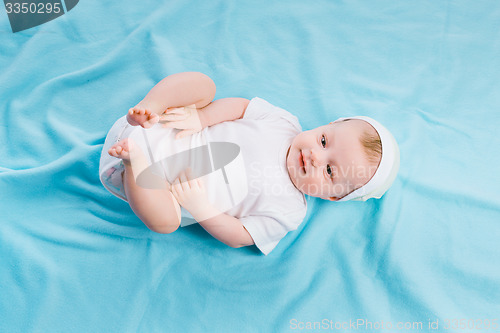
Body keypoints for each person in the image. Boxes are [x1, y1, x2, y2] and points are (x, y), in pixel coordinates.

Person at [99, 72, 400, 255]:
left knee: (166, 222)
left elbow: (241, 236)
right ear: (327, 124)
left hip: (158, 185)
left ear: (333, 196)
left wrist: (201, 207)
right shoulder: (284, 122)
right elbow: (242, 107)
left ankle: (134, 163)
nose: (315, 156)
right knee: (204, 86)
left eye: (330, 170)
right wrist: (201, 117)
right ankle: (148, 106)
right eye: (323, 140)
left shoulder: (289, 210)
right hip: (166, 125)